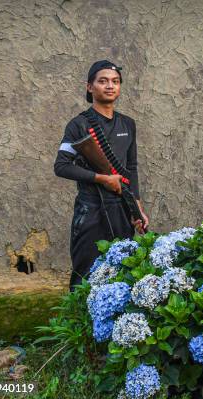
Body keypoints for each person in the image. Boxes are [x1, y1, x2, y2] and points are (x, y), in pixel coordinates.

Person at [54, 60, 149, 292]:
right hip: (91, 211)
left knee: (121, 274)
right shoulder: (79, 125)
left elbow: (131, 168)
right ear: (90, 87)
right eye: (103, 81)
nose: (110, 86)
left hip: (121, 209)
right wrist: (101, 178)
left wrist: (137, 207)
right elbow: (61, 166)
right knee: (84, 277)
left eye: (115, 82)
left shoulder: (128, 124)